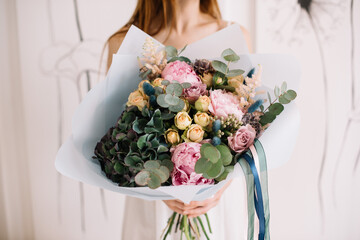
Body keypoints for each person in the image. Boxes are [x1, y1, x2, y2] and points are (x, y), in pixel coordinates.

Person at [106, 0, 252, 239]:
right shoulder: (122, 42)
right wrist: (154, 185)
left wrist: (219, 187)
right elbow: (115, 141)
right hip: (151, 207)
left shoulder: (233, 35)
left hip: (215, 206)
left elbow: (251, 128)